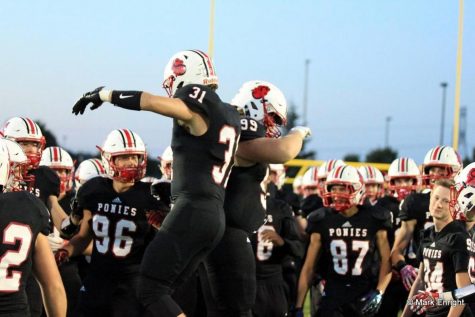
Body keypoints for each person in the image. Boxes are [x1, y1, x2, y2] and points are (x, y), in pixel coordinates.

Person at [72, 49, 241, 317]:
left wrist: (106, 94)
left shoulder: (196, 104)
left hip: (193, 210)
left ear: (183, 74)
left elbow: (150, 102)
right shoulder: (230, 115)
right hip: (213, 215)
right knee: (165, 292)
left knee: (150, 289)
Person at [203, 80, 310, 317]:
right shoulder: (237, 131)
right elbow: (284, 151)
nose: (273, 127)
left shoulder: (229, 129)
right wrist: (298, 132)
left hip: (227, 230)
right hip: (226, 235)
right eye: (271, 117)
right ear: (255, 106)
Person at [55, 129, 167, 317]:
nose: (131, 162)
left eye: (135, 157)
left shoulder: (152, 194)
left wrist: (163, 225)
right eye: (124, 157)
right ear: (108, 159)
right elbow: (83, 237)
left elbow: (168, 240)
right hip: (96, 279)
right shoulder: (93, 190)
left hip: (131, 283)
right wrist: (66, 251)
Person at [295, 165, 392, 317]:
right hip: (333, 293)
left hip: (364, 292)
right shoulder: (321, 219)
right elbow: (309, 267)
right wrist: (298, 306)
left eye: (342, 189)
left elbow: (387, 261)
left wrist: (380, 291)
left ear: (357, 189)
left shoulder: (375, 218)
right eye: (333, 189)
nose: (336, 194)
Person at [3, 117, 70, 316]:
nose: (31, 150)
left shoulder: (44, 177)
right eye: (24, 143)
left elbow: (55, 210)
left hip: (29, 256)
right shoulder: (28, 204)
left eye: (34, 144)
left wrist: (70, 226)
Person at [391, 146, 462, 293]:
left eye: (441, 170)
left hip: (459, 276)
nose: (435, 175)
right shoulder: (415, 202)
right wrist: (403, 267)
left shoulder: (466, 203)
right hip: (427, 277)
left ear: (456, 172)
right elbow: (397, 249)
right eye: (432, 170)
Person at [401, 179, 471, 317]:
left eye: (445, 201)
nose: (438, 204)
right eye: (436, 198)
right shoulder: (427, 234)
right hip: (432, 312)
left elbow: (465, 291)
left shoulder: (457, 237)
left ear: (454, 206)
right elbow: (421, 280)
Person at [251, 169, 304, 317]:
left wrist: (282, 242)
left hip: (272, 280)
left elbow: (299, 249)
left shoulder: (280, 207)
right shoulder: (234, 204)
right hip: (243, 280)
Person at [374, 157, 421, 317]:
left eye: (407, 180)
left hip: (416, 272)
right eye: (398, 180)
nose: (403, 185)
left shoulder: (421, 203)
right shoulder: (383, 206)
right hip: (390, 273)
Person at [40, 146, 83, 316]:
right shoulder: (32, 198)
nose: (58, 177)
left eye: (63, 171)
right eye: (53, 172)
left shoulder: (77, 200)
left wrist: (66, 245)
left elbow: (90, 242)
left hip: (68, 271)